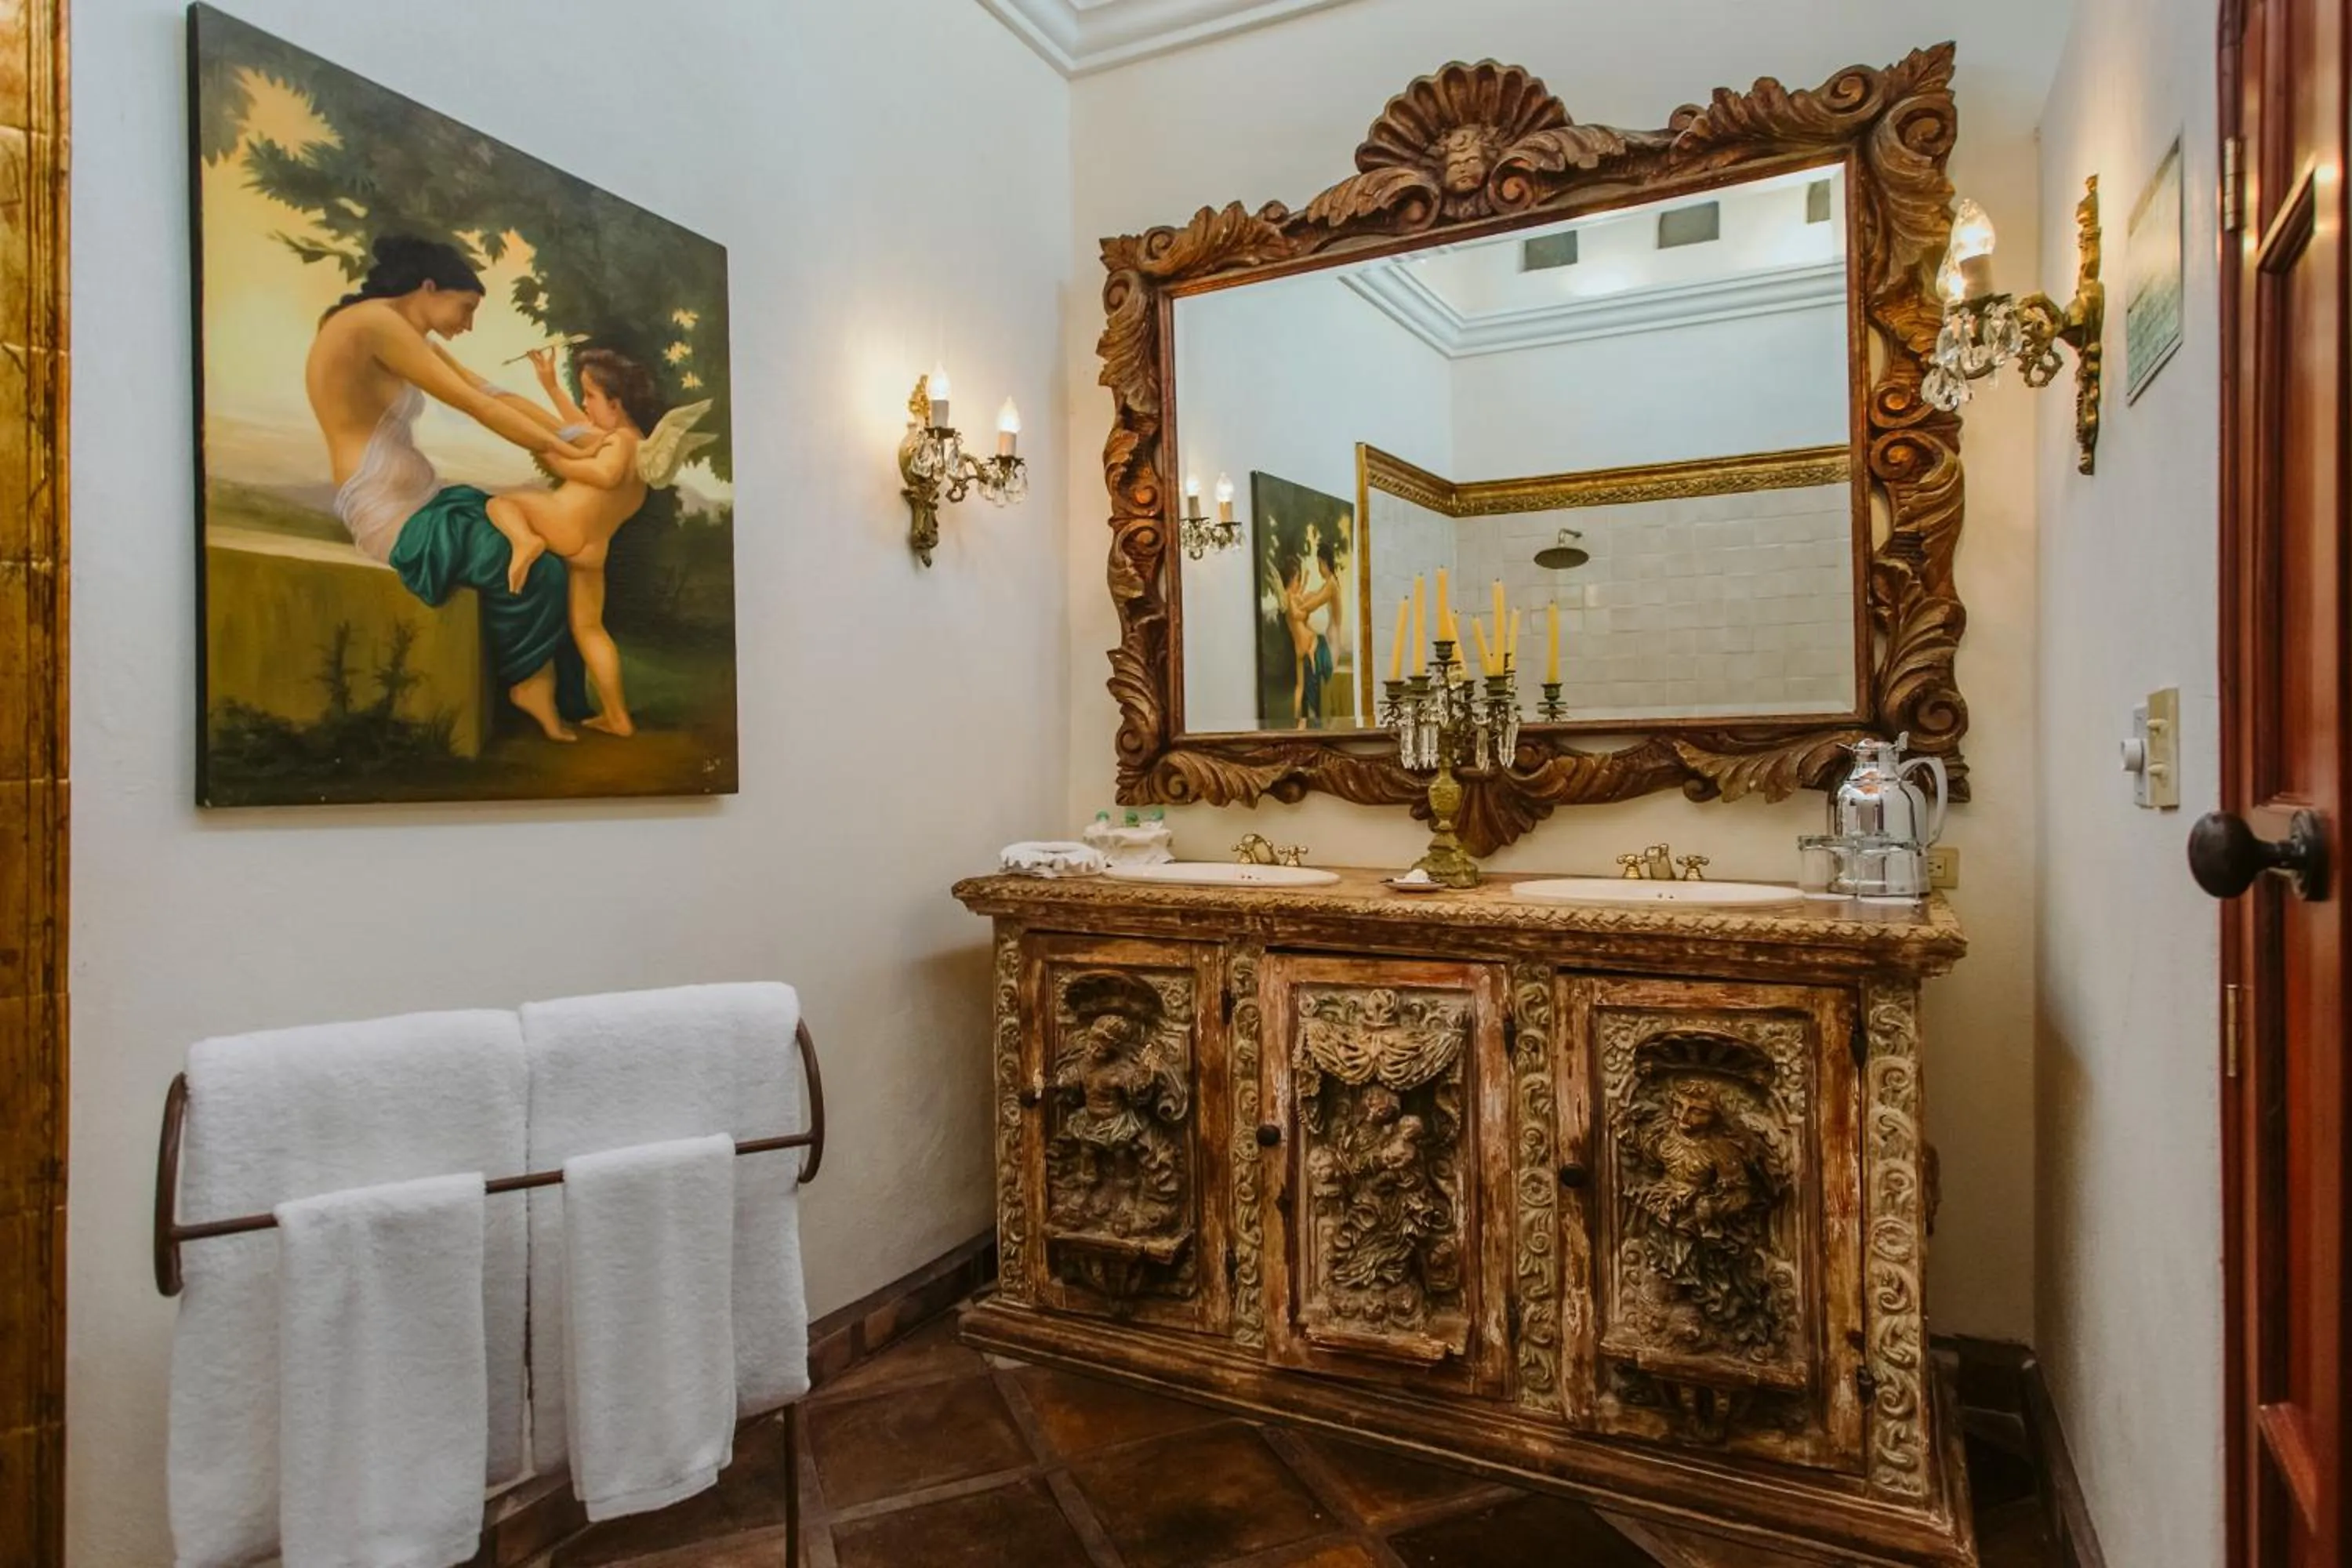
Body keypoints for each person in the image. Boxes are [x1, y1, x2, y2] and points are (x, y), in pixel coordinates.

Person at [303, 234, 603, 739]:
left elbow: (492, 391)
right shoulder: (374, 324)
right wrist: (573, 455)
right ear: (428, 287)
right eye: (464, 308)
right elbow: (477, 407)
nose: (467, 324)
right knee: (538, 565)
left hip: (426, 501)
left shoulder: (401, 333)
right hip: (391, 514)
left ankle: (557, 695)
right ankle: (527, 684)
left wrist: (571, 435)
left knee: (550, 541)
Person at [477, 347, 713, 738]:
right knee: (589, 629)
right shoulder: (635, 447)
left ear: (615, 404)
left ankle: (525, 543)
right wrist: (551, 386)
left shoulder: (619, 444)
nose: (583, 405)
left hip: (565, 524)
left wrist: (560, 462)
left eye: (589, 396)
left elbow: (603, 474)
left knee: (501, 504)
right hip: (593, 547)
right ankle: (618, 717)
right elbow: (578, 430)